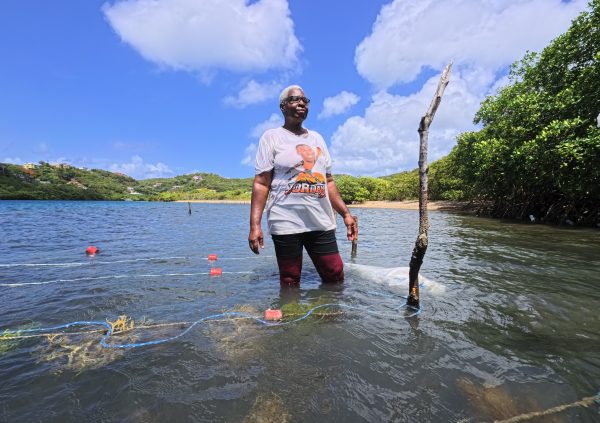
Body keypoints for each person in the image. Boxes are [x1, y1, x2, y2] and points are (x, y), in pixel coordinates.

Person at [248, 85, 357, 285]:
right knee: (290, 278)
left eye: (305, 100)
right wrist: (255, 226)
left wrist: (346, 214)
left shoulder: (317, 138)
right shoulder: (271, 137)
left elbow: (329, 182)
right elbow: (262, 183)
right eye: (294, 99)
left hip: (320, 218)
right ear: (282, 107)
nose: (301, 103)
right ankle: (291, 315)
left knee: (335, 272)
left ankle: (332, 314)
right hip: (285, 218)